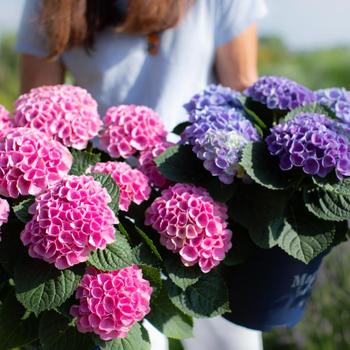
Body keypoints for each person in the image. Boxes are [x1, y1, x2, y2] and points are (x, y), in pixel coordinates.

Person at [16, 1, 267, 349]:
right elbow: (38, 113)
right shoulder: (48, 5)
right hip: (101, 213)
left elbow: (241, 89)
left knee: (229, 339)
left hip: (201, 199)